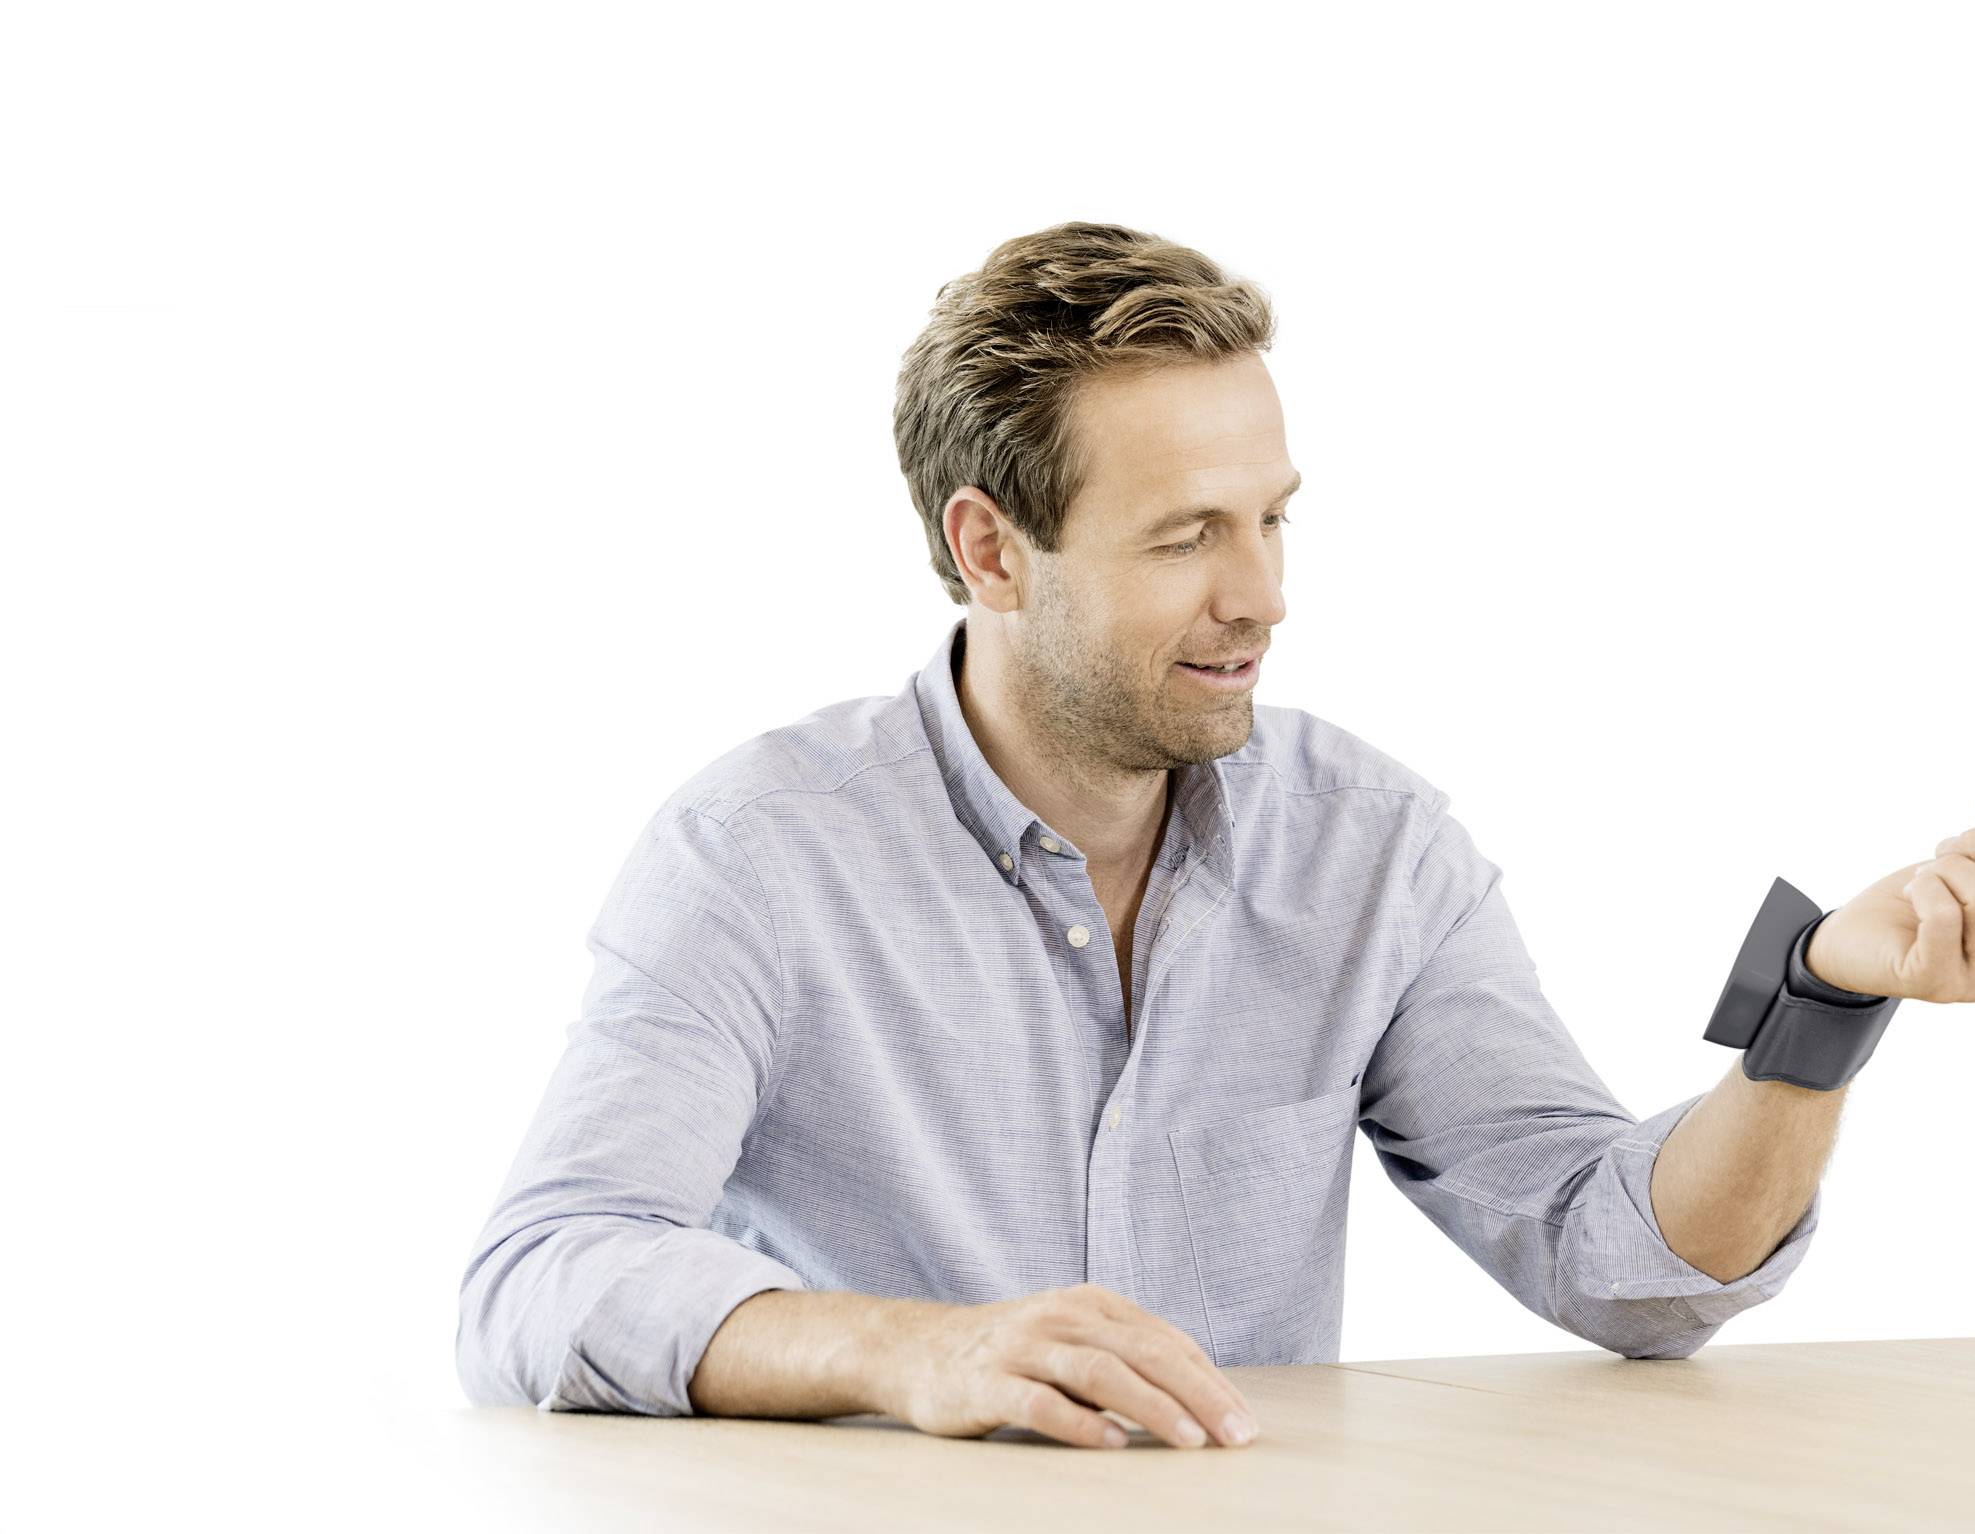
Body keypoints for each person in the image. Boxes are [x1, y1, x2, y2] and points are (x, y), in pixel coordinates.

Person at [454, 220, 1847, 1452]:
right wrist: (911, 1348)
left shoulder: (1372, 850)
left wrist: (1826, 1003)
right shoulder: (757, 855)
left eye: (1272, 519)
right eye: (1187, 535)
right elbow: (544, 1271)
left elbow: (1616, 1258)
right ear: (993, 549)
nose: (1264, 595)